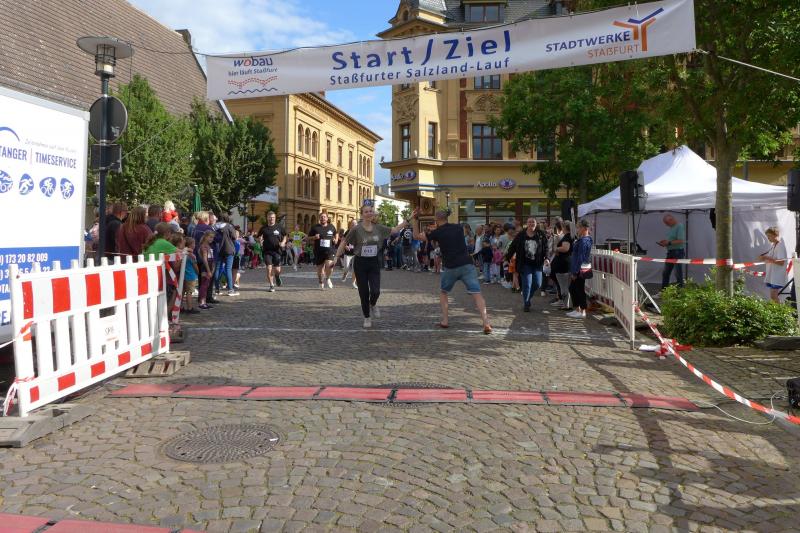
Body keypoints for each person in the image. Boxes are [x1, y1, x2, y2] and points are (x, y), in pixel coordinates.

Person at [414, 209, 492, 334]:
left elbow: (417, 236)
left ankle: (445, 320)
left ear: (436, 219)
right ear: (447, 217)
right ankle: (486, 322)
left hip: (451, 266)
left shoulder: (437, 232)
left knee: (443, 292)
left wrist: (415, 220)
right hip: (467, 264)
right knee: (477, 294)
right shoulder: (458, 227)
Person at [332, 204, 409, 328]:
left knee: (375, 291)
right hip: (360, 263)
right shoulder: (356, 229)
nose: (369, 213)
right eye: (366, 211)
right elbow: (344, 242)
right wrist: (336, 256)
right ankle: (367, 317)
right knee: (363, 292)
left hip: (373, 262)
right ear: (362, 214)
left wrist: (408, 219)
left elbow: (395, 230)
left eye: (370, 211)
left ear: (373, 213)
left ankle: (372, 304)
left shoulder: (378, 228)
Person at [506, 217, 548, 312]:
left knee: (537, 284)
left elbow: (546, 247)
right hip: (524, 264)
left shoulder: (541, 234)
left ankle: (528, 297)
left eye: (533, 222)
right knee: (527, 284)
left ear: (536, 224)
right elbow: (513, 246)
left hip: (537, 263)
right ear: (526, 224)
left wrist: (547, 258)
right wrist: (508, 258)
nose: (531, 224)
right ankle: (526, 303)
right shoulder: (521, 235)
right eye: (529, 222)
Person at [567, 219, 593, 318]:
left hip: (580, 268)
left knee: (579, 289)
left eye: (579, 227)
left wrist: (575, 272)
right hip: (580, 267)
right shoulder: (583, 239)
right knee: (574, 288)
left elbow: (580, 257)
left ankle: (582, 311)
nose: (577, 229)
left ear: (585, 228)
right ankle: (578, 309)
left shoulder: (584, 240)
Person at [257, 211, 286, 292]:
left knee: (277, 270)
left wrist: (283, 242)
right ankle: (271, 285)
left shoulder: (279, 227)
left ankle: (277, 276)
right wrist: (259, 240)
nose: (271, 219)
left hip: (277, 251)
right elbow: (258, 237)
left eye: (273, 217)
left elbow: (285, 236)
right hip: (267, 251)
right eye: (270, 217)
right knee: (269, 268)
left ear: (275, 218)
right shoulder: (263, 228)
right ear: (267, 218)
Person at [308, 213, 338, 290]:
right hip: (319, 251)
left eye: (324, 217)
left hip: (330, 250)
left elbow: (336, 233)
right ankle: (321, 282)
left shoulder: (331, 227)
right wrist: (314, 237)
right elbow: (308, 237)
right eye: (321, 217)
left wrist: (336, 239)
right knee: (320, 270)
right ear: (319, 218)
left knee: (330, 266)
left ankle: (328, 278)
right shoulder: (315, 227)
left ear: (327, 218)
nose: (323, 218)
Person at [759, 226, 788, 303]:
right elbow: (772, 259)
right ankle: (778, 309)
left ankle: (780, 310)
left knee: (773, 296)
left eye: (769, 236)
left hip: (777, 275)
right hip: (773, 275)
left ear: (775, 235)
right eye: (767, 236)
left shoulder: (780, 245)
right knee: (773, 296)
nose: (768, 238)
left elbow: (781, 262)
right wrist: (764, 258)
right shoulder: (774, 245)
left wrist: (766, 258)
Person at [658, 214, 686, 290]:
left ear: (671, 220)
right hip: (671, 252)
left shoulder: (679, 226)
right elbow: (671, 240)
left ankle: (680, 291)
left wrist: (668, 243)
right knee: (666, 273)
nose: (666, 225)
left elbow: (681, 240)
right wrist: (665, 242)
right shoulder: (672, 228)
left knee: (678, 273)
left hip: (677, 252)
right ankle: (664, 291)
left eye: (667, 223)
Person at [213, 213, 238, 297]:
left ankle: (217, 289)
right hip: (229, 249)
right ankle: (230, 290)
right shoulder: (229, 226)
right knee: (228, 269)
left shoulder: (215, 226)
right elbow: (234, 237)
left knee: (217, 269)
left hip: (218, 250)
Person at [550, 221, 574, 310]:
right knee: (563, 285)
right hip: (564, 263)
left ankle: (566, 305)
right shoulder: (569, 236)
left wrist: (556, 248)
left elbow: (565, 248)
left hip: (563, 264)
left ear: (564, 228)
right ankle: (564, 303)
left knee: (563, 286)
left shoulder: (567, 237)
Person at [197, 230, 216, 310]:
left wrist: (212, 268)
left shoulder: (208, 246)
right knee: (204, 285)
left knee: (206, 285)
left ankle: (204, 302)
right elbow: (205, 259)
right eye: (210, 237)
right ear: (205, 237)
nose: (212, 239)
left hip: (210, 265)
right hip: (206, 267)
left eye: (213, 237)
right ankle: (202, 302)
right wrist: (208, 270)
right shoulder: (204, 246)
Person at [182, 237, 200, 314]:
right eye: (194, 243)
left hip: (183, 275)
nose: (195, 245)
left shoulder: (183, 254)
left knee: (182, 292)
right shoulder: (192, 256)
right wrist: (198, 272)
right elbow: (195, 266)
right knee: (189, 293)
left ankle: (180, 307)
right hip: (191, 276)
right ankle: (190, 308)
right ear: (191, 245)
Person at [341, 220, 358, 288]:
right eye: (352, 224)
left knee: (355, 269)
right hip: (348, 253)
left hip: (356, 253)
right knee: (346, 268)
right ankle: (345, 274)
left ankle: (353, 282)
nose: (354, 225)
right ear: (350, 225)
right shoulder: (347, 232)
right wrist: (345, 246)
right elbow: (343, 240)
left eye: (355, 223)